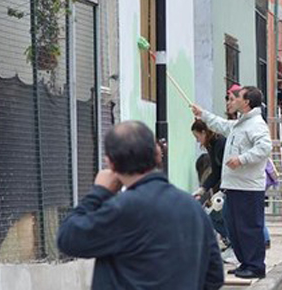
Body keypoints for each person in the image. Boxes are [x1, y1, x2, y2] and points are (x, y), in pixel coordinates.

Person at [57, 121, 224, 289]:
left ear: (111, 163)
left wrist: (99, 192)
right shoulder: (193, 209)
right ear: (157, 155)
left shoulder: (122, 209)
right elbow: (214, 276)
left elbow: (68, 238)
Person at [192, 86, 273, 279]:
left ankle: (255, 266)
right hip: (234, 186)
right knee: (235, 228)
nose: (233, 100)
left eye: (237, 97)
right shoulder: (240, 124)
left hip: (248, 187)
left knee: (249, 228)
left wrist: (241, 159)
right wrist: (202, 114)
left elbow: (264, 147)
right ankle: (245, 263)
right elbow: (221, 125)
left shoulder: (256, 125)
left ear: (246, 102)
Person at [192, 120, 229, 246]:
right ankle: (231, 241)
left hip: (232, 185)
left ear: (204, 132)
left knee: (218, 216)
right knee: (214, 217)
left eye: (197, 137)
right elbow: (216, 172)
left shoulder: (221, 143)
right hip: (224, 186)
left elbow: (225, 170)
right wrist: (202, 189)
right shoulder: (211, 145)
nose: (197, 141)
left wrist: (222, 191)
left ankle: (232, 242)